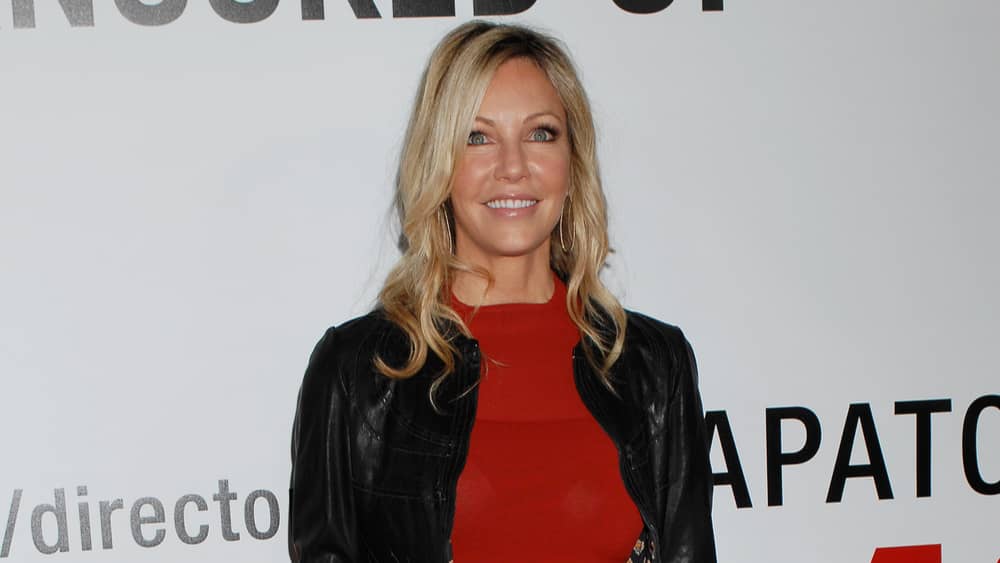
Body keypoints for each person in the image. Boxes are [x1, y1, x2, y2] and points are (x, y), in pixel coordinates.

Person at [289, 20, 716, 563]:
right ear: (440, 163)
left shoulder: (652, 366)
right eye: (478, 137)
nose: (513, 167)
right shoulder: (360, 373)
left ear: (572, 160)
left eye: (541, 133)